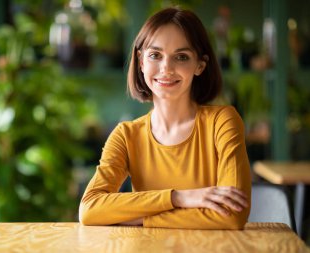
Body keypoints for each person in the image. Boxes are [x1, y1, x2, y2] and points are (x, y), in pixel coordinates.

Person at [79, 7, 251, 229]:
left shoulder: (223, 122)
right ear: (141, 62)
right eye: (155, 55)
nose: (166, 68)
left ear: (200, 65)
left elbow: (232, 216)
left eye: (181, 57)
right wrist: (178, 197)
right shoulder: (126, 135)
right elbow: (90, 209)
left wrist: (139, 219)